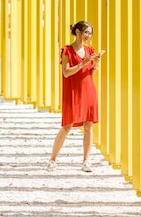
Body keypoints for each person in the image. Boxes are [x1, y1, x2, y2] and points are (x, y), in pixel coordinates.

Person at [46, 21, 104, 172]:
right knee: (67, 126)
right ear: (77, 32)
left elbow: (90, 72)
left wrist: (96, 64)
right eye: (86, 32)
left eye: (90, 33)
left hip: (89, 89)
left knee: (88, 126)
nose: (88, 36)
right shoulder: (67, 50)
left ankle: (86, 161)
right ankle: (52, 159)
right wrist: (83, 63)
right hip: (72, 91)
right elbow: (66, 73)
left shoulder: (90, 50)